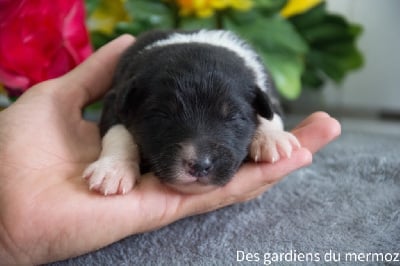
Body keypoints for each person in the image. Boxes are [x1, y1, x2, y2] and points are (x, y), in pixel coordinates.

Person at [0, 34, 341, 264]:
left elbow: (271, 112)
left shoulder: (251, 81)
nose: (199, 160)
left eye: (232, 117)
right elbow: (115, 120)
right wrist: (119, 156)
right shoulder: (134, 82)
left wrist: (269, 130)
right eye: (163, 115)